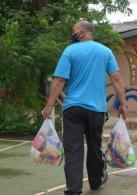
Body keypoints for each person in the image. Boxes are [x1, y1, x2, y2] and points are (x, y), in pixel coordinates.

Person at [42, 21, 127, 195]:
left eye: (74, 31)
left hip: (73, 108)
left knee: (74, 150)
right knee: (94, 147)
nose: (72, 34)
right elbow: (116, 79)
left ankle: (74, 190)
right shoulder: (105, 52)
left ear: (82, 32)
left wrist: (49, 105)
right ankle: (95, 181)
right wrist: (123, 104)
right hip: (97, 110)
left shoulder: (69, 51)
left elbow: (59, 80)